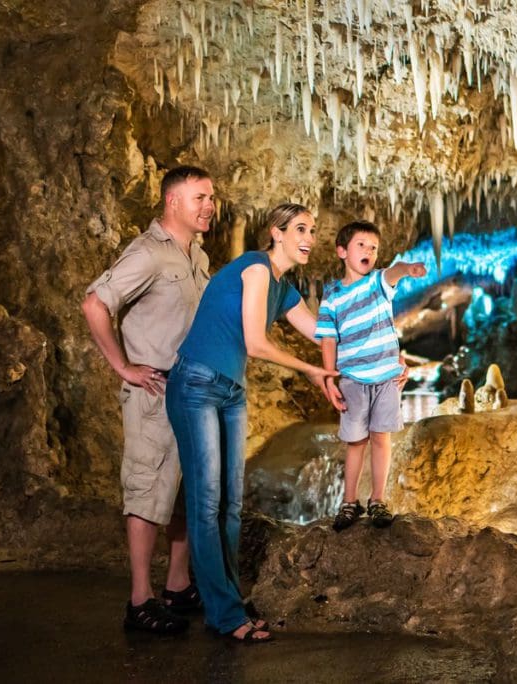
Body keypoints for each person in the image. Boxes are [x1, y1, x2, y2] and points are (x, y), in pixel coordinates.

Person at [165, 203, 336, 643]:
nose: (310, 238)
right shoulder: (257, 269)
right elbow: (256, 343)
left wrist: (384, 353)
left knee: (232, 505)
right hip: (197, 384)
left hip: (230, 392)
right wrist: (311, 371)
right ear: (275, 233)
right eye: (300, 228)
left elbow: (323, 333)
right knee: (207, 504)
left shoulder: (284, 288)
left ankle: (229, 603)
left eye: (313, 231)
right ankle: (224, 615)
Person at [82, 165, 214, 634]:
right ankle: (140, 600)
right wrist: (123, 366)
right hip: (153, 393)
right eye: (199, 197)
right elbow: (95, 303)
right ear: (172, 201)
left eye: (211, 198)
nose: (209, 207)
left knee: (181, 493)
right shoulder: (147, 253)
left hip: (190, 392)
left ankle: (177, 586)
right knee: (146, 490)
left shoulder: (195, 253)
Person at [316, 221, 427, 531]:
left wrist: (409, 268)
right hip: (352, 379)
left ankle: (377, 499)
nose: (369, 251)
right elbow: (328, 340)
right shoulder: (332, 297)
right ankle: (349, 502)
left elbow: (395, 270)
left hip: (387, 378)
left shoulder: (379, 282)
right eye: (361, 245)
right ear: (342, 251)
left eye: (374, 247)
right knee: (355, 442)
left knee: (381, 438)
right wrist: (329, 378)